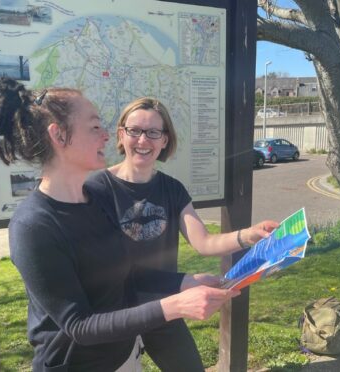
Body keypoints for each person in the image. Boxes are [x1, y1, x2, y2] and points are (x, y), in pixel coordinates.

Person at [0, 71, 239, 372]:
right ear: (58, 135)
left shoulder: (96, 203)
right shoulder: (33, 226)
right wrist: (175, 305)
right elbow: (79, 325)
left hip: (124, 357)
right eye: (94, 126)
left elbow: (128, 277)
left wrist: (186, 282)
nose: (107, 135)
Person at [85, 97, 279, 371]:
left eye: (153, 132)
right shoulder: (96, 189)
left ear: (165, 140)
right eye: (135, 130)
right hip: (115, 312)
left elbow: (204, 242)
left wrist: (248, 235)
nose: (143, 140)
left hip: (166, 304)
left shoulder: (172, 189)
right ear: (121, 134)